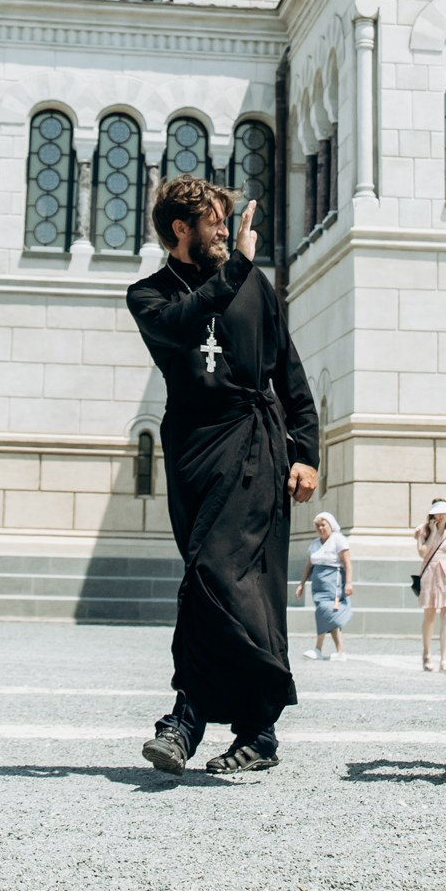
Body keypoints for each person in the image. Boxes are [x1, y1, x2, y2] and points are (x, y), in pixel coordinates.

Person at [127, 182, 319, 776]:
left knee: (220, 574)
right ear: (180, 229)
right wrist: (236, 264)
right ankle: (257, 732)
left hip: (256, 445)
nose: (223, 232)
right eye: (212, 223)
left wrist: (306, 449)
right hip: (193, 448)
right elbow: (188, 324)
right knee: (212, 576)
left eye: (226, 224)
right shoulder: (148, 296)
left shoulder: (253, 283)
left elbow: (289, 369)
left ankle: (186, 717)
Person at [294, 511, 353, 661]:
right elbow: (309, 566)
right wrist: (301, 584)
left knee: (324, 612)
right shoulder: (314, 544)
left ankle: (318, 649)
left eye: (323, 524)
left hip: (333, 583)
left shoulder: (338, 540)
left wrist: (349, 583)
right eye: (318, 525)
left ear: (330, 525)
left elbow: (347, 563)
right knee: (329, 616)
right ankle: (341, 651)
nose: (321, 528)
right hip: (318, 585)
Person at [413, 501, 446, 674]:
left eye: (444, 513)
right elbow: (422, 553)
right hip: (430, 573)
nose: (441, 516)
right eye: (438, 513)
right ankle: (426, 654)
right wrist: (433, 532)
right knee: (429, 615)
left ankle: (444, 659)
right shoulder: (423, 531)